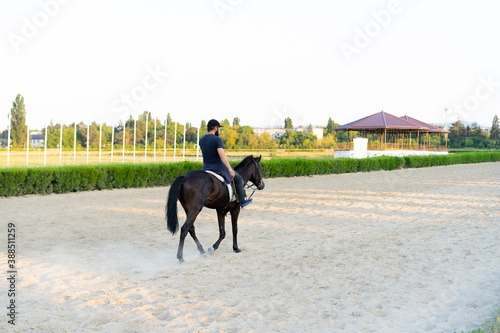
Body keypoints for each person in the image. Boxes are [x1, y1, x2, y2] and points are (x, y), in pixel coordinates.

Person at [199, 119, 252, 208]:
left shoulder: (201, 139)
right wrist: (230, 169)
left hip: (205, 168)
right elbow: (222, 156)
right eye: (218, 128)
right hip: (217, 168)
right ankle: (242, 201)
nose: (218, 129)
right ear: (215, 128)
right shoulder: (217, 139)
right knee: (238, 178)